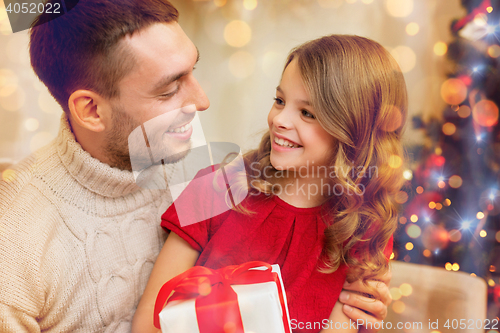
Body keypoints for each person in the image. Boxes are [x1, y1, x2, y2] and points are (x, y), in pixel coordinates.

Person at [0, 1, 391, 332]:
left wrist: (362, 303)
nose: (202, 101)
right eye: (169, 89)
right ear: (91, 110)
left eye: (194, 71)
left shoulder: (191, 158)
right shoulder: (17, 247)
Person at [133, 35, 407, 333]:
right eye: (279, 101)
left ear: (353, 133)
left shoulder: (364, 227)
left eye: (307, 113)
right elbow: (150, 319)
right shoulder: (215, 187)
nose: (279, 119)